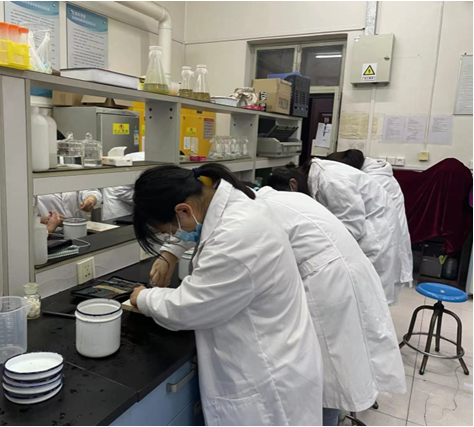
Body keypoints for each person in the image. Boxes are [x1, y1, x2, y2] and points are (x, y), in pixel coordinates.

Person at [154, 170, 407, 426]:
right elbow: (198, 221)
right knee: (326, 379)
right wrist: (171, 252)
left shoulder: (246, 216)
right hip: (340, 274)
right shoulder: (250, 200)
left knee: (328, 382)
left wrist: (155, 286)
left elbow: (200, 290)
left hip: (327, 288)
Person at [129, 164, 324, 426]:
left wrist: (142, 298)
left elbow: (188, 307)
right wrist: (170, 253)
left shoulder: (234, 239)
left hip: (268, 375)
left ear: (183, 210)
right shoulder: (229, 197)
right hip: (278, 343)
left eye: (170, 231)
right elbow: (198, 224)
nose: (174, 236)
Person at [269, 159, 403, 305]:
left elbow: (352, 226)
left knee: (367, 297)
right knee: (362, 298)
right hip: (369, 229)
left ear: (293, 184)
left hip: (374, 236)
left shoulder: (330, 181)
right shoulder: (318, 178)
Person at [326, 150, 414, 303]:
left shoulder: (372, 179)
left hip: (381, 239)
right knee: (373, 297)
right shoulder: (376, 173)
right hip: (385, 236)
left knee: (371, 296)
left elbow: (353, 218)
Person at [102, 152, 145, 220]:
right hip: (119, 207)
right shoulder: (138, 160)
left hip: (133, 205)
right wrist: (147, 200)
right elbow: (120, 191)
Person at [36, 189, 101, 219]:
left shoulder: (70, 175)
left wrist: (90, 199)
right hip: (47, 233)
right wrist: (46, 220)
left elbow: (91, 191)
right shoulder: (33, 180)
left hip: (78, 230)